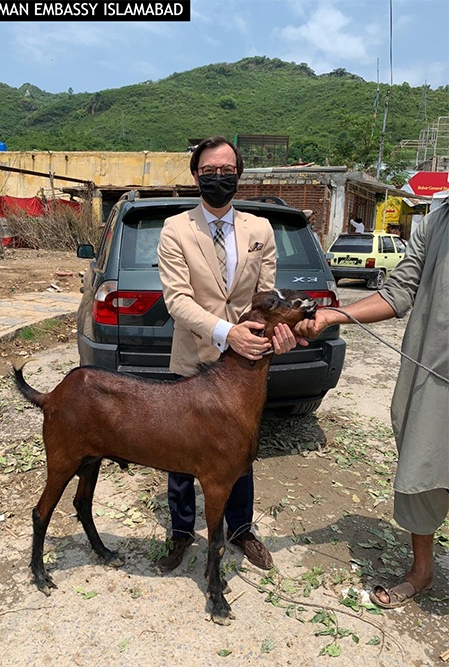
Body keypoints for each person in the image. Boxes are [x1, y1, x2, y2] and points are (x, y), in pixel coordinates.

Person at [157, 135, 307, 572]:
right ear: (195, 175)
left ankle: (241, 529)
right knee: (180, 454)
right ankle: (182, 532)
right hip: (193, 358)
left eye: (227, 171)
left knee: (240, 452)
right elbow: (177, 300)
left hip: (245, 368)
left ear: (239, 174)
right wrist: (227, 332)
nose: (218, 178)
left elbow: (268, 299)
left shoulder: (260, 229)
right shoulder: (175, 229)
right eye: (209, 172)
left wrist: (280, 334)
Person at [294, 197, 449, 609]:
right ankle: (422, 571)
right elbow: (399, 292)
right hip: (434, 373)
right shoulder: (436, 222)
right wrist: (332, 316)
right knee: (423, 463)